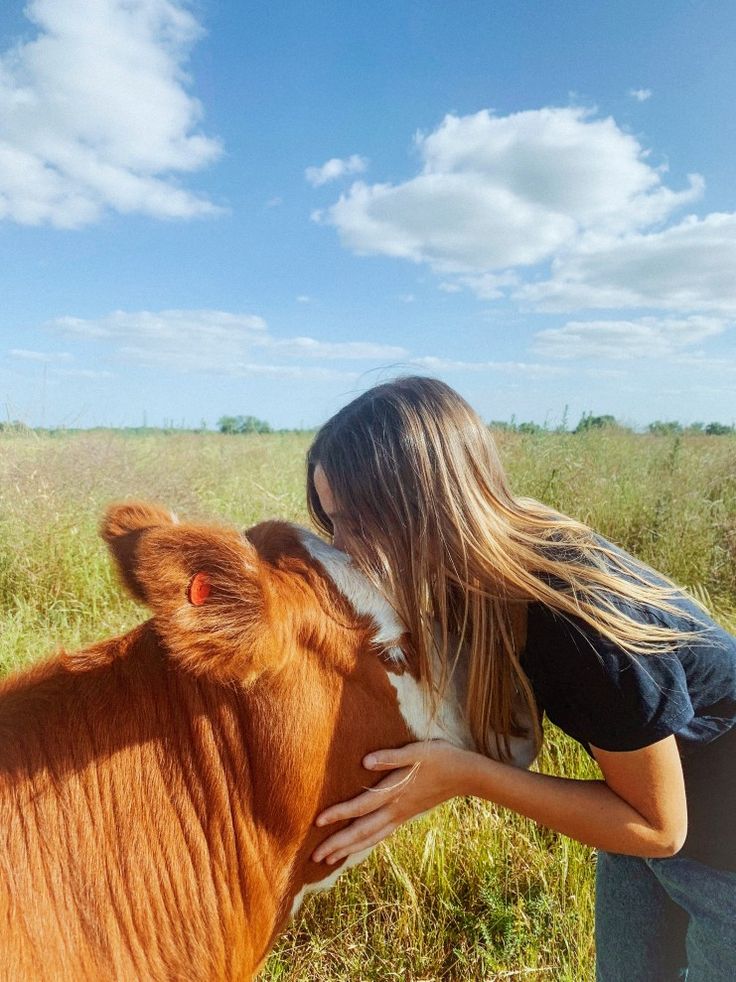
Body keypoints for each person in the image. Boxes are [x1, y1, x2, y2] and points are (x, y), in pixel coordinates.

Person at [305, 376, 736, 981]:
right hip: (652, 820)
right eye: (333, 525)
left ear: (426, 505)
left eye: (358, 524)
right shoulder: (480, 571)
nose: (346, 551)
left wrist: (468, 778)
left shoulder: (571, 619)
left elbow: (658, 828)